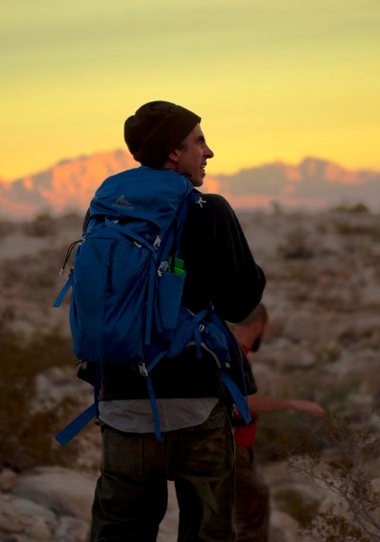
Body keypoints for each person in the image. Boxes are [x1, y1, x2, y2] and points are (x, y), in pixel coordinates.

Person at [88, 100, 266, 542]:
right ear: (174, 152)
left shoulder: (108, 208)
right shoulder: (209, 210)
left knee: (120, 531)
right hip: (195, 404)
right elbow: (241, 302)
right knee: (208, 532)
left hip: (121, 400)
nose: (208, 153)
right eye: (199, 141)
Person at [231, 303, 326, 542]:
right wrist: (293, 404)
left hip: (233, 446)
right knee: (254, 505)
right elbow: (247, 402)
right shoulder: (235, 354)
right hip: (231, 446)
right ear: (258, 326)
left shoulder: (227, 349)